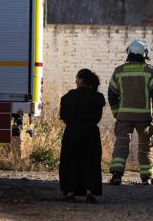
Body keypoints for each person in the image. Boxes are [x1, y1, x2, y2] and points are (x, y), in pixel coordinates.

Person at [108, 39, 153, 185]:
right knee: (145, 145)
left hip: (124, 115)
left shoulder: (119, 71)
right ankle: (147, 177)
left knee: (121, 143)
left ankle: (116, 174)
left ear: (129, 53)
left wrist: (116, 112)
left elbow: (112, 94)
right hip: (144, 117)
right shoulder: (149, 71)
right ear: (143, 54)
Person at [59, 68, 105, 203]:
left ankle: (69, 192)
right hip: (91, 133)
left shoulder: (69, 97)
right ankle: (90, 192)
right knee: (91, 163)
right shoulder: (98, 97)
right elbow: (97, 117)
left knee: (70, 162)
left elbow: (63, 116)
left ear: (81, 80)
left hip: (72, 133)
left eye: (77, 78)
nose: (75, 81)